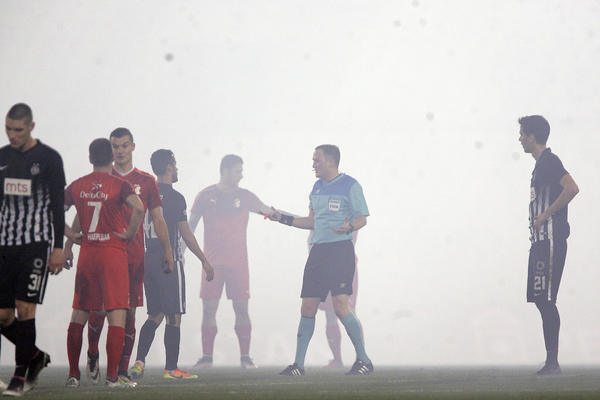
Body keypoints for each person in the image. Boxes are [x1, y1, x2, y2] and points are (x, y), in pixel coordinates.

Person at [270, 144, 373, 376]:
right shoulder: (316, 188)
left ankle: (364, 360)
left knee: (340, 307)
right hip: (318, 252)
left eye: (317, 160)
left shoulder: (350, 185)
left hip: (340, 251)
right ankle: (298, 365)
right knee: (307, 307)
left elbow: (363, 218)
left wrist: (350, 226)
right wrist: (282, 219)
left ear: (331, 161)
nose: (313, 164)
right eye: (313, 160)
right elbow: (311, 222)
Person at [63, 138, 144, 388]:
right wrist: (129, 234)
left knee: (80, 313)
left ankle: (74, 375)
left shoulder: (77, 185)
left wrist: (69, 234)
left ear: (90, 158)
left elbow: (54, 209)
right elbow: (139, 209)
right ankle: (111, 378)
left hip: (88, 253)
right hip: (113, 254)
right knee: (116, 313)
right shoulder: (120, 184)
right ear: (111, 158)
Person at [129, 149, 214, 380]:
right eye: (175, 165)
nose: (177, 169)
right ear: (168, 167)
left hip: (148, 258)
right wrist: (204, 260)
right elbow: (185, 233)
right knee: (173, 315)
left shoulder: (145, 195)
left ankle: (139, 361)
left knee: (155, 313)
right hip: (169, 259)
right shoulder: (175, 198)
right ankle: (171, 369)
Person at [0, 103, 66, 396]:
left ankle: (20, 375)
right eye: (8, 129)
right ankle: (35, 356)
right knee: (2, 316)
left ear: (31, 127)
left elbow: (56, 207)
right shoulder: (1, 157)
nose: (12, 135)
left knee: (25, 309)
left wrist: (58, 248)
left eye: (18, 130)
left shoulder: (49, 159)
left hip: (35, 245)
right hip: (4, 245)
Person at [189, 154, 271, 369]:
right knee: (209, 309)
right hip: (212, 264)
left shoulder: (245, 196)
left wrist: (291, 219)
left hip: (238, 264)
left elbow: (268, 211)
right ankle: (207, 358)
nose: (241, 175)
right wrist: (180, 249)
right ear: (225, 170)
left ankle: (245, 358)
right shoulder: (205, 196)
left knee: (242, 309)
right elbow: (190, 227)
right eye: (238, 171)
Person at [518, 115, 579, 375]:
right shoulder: (540, 165)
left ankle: (552, 363)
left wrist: (547, 214)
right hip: (540, 242)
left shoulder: (550, 162)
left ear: (533, 136)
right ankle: (550, 361)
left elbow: (572, 188)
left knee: (547, 299)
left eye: (522, 133)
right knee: (540, 299)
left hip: (551, 240)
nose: (519, 138)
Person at [313, 230, 361, 368]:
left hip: (344, 267)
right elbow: (308, 224)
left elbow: (356, 223)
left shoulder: (347, 213)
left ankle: (361, 358)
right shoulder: (320, 214)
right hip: (324, 268)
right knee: (330, 313)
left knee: (349, 311)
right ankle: (337, 359)